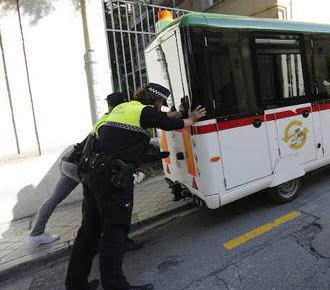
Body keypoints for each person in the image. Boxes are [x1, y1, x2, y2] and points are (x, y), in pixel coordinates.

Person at [66, 83, 206, 290]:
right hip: (112, 178)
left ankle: (75, 284)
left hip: (90, 174)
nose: (160, 108)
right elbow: (169, 123)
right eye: (160, 104)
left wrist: (178, 114)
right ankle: (115, 286)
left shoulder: (120, 110)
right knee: (114, 231)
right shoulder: (144, 111)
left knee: (89, 230)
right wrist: (191, 118)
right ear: (156, 100)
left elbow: (164, 118)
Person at [27, 92, 128, 247]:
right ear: (124, 104)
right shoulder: (115, 120)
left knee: (55, 197)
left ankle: (35, 234)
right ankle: (98, 235)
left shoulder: (104, 118)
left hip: (69, 160)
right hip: (79, 164)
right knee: (100, 196)